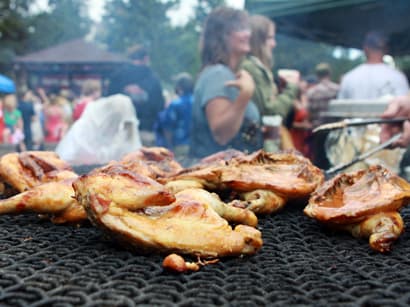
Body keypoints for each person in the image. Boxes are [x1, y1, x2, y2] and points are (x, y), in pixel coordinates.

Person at [190, 6, 262, 158]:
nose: (248, 34)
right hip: (219, 175)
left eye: (247, 28)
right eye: (240, 28)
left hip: (230, 174)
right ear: (221, 35)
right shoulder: (218, 73)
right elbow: (222, 135)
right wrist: (246, 94)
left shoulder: (226, 74)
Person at [240, 15, 299, 120]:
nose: (274, 44)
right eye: (270, 38)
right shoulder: (251, 68)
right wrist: (291, 87)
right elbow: (269, 112)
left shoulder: (254, 67)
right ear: (258, 40)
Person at [107, 44, 165, 146]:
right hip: (145, 130)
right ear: (146, 58)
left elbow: (108, 102)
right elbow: (160, 105)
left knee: (121, 162)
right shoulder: (152, 78)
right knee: (147, 161)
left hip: (119, 133)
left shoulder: (117, 76)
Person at [338, 31, 409, 99]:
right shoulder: (398, 77)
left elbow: (339, 108)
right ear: (386, 49)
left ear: (365, 49)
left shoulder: (348, 78)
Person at [307, 63, 340, 168]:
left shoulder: (312, 92)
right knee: (335, 159)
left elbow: (309, 113)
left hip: (318, 130)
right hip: (335, 130)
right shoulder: (337, 89)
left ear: (317, 75)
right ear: (329, 73)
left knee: (319, 161)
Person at [154, 72, 194, 156]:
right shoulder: (198, 101)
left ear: (179, 87)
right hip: (198, 146)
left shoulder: (176, 104)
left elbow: (167, 127)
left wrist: (169, 146)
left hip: (180, 146)